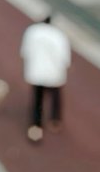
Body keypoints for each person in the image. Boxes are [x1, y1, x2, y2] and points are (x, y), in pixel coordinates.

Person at [20, 13, 71, 142]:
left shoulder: (32, 31)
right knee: (55, 96)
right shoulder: (59, 35)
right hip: (54, 73)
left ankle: (36, 125)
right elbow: (65, 58)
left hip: (37, 71)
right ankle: (55, 120)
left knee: (38, 99)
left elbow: (25, 51)